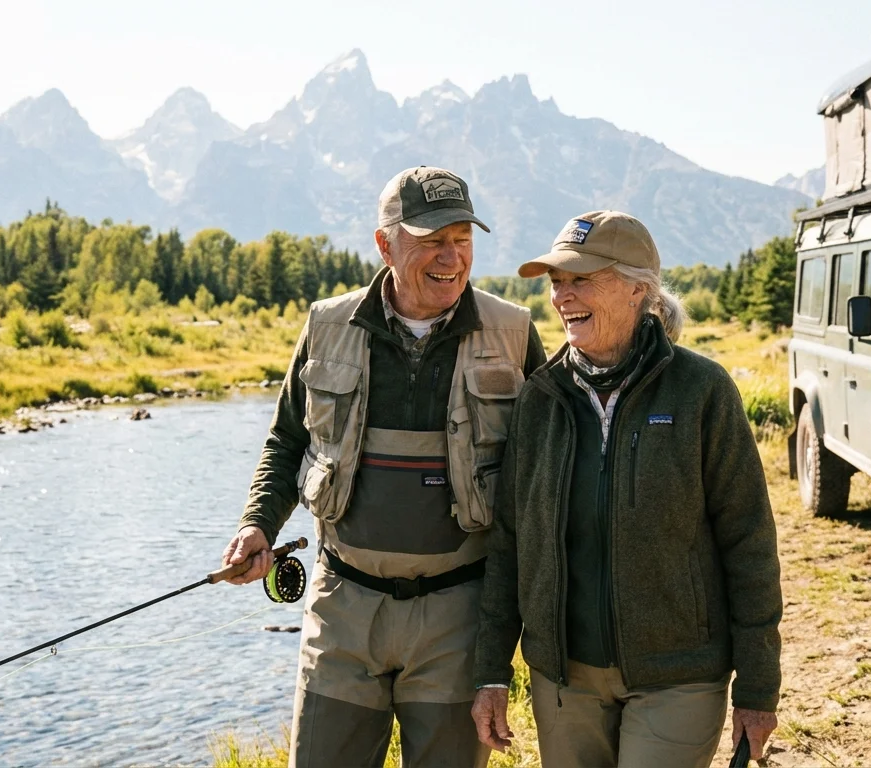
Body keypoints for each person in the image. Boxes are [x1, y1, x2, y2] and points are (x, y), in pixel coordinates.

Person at [221, 166, 548, 768]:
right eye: (430, 240)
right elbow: (286, 440)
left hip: (460, 616)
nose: (451, 257)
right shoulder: (328, 326)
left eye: (463, 239)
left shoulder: (514, 333)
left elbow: (546, 477)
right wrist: (257, 524)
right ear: (384, 243)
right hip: (343, 607)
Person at [470, 210, 783, 767]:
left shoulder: (702, 391)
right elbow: (510, 543)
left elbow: (749, 543)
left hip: (679, 677)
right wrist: (492, 671)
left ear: (640, 288)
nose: (562, 295)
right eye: (556, 281)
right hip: (563, 681)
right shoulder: (540, 399)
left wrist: (758, 690)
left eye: (581, 278)